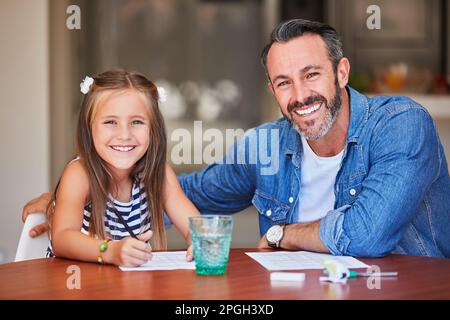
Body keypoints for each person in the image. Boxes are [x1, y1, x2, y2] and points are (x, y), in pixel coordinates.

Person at [23, 19, 450, 258]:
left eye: (311, 75)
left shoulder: (401, 123)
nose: (299, 96)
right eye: (284, 82)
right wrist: (76, 199)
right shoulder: (265, 146)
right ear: (273, 90)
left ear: (341, 73)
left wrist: (283, 234)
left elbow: (365, 234)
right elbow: (185, 192)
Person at [41, 69, 200, 267]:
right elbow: (62, 239)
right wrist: (110, 251)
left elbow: (197, 228)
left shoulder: (159, 174)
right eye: (110, 122)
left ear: (154, 129)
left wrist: (201, 242)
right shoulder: (79, 174)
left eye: (136, 122)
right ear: (88, 128)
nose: (124, 134)